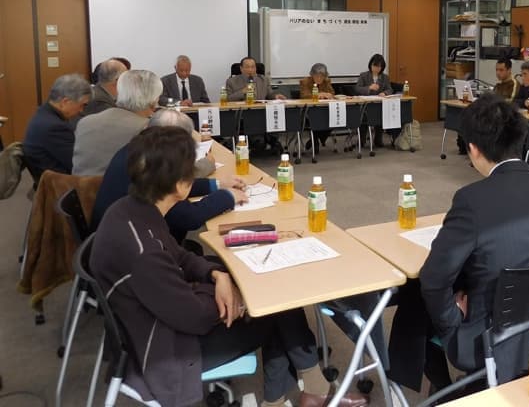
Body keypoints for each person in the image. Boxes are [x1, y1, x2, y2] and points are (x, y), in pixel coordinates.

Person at [89, 126, 367, 407]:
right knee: (274, 306)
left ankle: (303, 392)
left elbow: (180, 256)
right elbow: (194, 317)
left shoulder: (131, 209)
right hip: (167, 352)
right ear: (181, 185)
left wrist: (218, 274)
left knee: (264, 294)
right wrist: (238, 298)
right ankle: (306, 391)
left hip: (154, 324)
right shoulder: (143, 251)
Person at [408, 94, 529, 387]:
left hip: (489, 339)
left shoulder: (472, 200)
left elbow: (434, 279)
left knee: (414, 304)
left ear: (473, 149)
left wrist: (453, 319)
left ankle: (445, 389)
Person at [91, 109, 248, 243]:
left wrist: (217, 184)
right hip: (132, 245)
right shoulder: (154, 164)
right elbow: (188, 217)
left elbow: (174, 185)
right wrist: (228, 196)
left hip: (120, 236)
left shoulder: (138, 150)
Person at [72, 70, 161, 176]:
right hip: (119, 186)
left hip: (76, 185)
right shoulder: (147, 129)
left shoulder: (85, 122)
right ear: (154, 100)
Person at [22, 74, 91, 181]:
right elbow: (78, 165)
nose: (81, 110)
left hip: (50, 178)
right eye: (82, 105)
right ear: (65, 102)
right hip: (60, 185)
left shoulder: (44, 114)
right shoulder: (55, 127)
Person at [355, 54, 394, 148]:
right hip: (366, 105)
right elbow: (357, 89)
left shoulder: (385, 77)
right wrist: (369, 88)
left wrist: (384, 93)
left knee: (381, 115)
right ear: (370, 65)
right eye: (374, 66)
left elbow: (390, 89)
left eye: (379, 66)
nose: (376, 68)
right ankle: (362, 139)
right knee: (364, 117)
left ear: (382, 67)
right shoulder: (364, 75)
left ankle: (378, 139)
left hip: (379, 104)